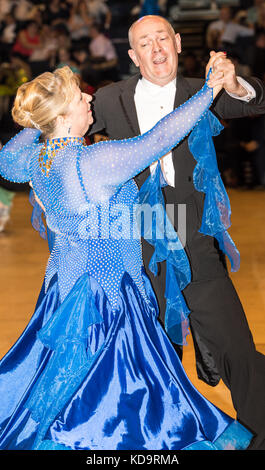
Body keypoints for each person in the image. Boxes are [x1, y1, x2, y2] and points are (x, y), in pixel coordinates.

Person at [0, 63, 253, 450]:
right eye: (79, 97)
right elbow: (160, 137)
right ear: (64, 115)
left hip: (63, 292)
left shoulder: (38, 161)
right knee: (123, 403)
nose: (89, 99)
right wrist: (208, 92)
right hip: (109, 299)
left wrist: (44, 117)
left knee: (73, 394)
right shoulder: (92, 162)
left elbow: (7, 159)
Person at [89, 15, 265, 450]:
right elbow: (67, 126)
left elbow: (253, 99)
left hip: (196, 243)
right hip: (136, 248)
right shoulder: (111, 99)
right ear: (133, 55)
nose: (156, 49)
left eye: (162, 38)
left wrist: (234, 81)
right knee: (145, 363)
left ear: (178, 42)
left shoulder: (201, 92)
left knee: (238, 350)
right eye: (144, 43)